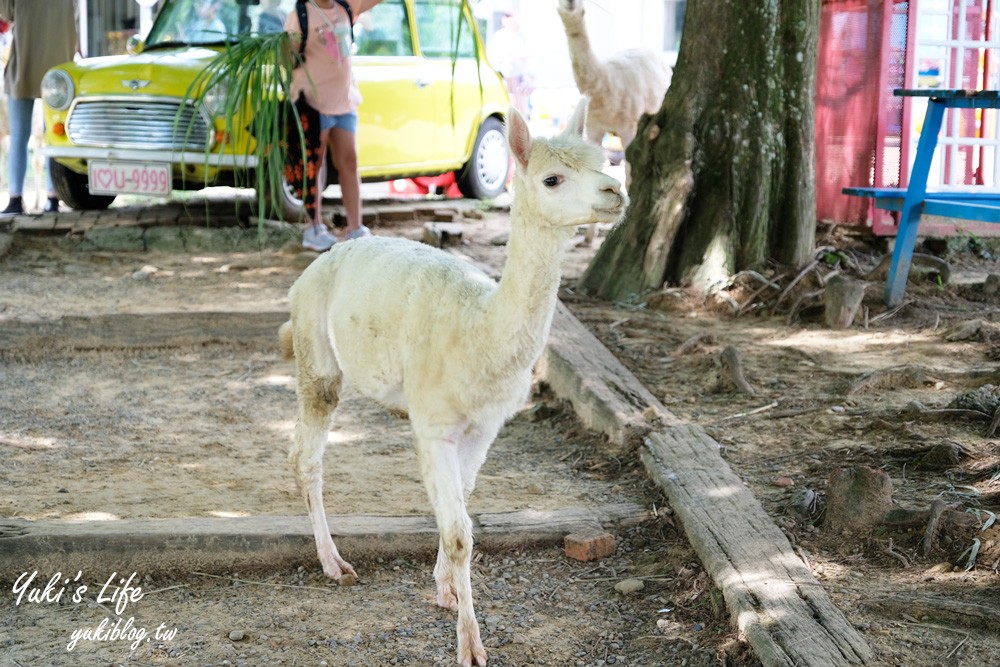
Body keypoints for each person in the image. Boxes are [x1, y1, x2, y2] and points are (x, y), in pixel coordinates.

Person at [286, 0, 384, 251]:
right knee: (314, 165)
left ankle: (355, 228)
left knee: (349, 161)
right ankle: (313, 226)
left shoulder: (345, 7)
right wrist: (285, 50)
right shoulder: (300, 16)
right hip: (312, 101)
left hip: (344, 100)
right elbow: (286, 60)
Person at [0, 0, 78, 217]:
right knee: (54, 135)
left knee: (19, 136)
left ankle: (16, 198)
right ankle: (53, 197)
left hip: (24, 61)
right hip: (58, 65)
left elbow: (6, 13)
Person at [487, 10, 533, 118]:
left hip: (517, 78)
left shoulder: (517, 36)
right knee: (512, 102)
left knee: (519, 103)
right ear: (506, 20)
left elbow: (522, 56)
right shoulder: (501, 36)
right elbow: (510, 56)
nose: (516, 21)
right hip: (505, 76)